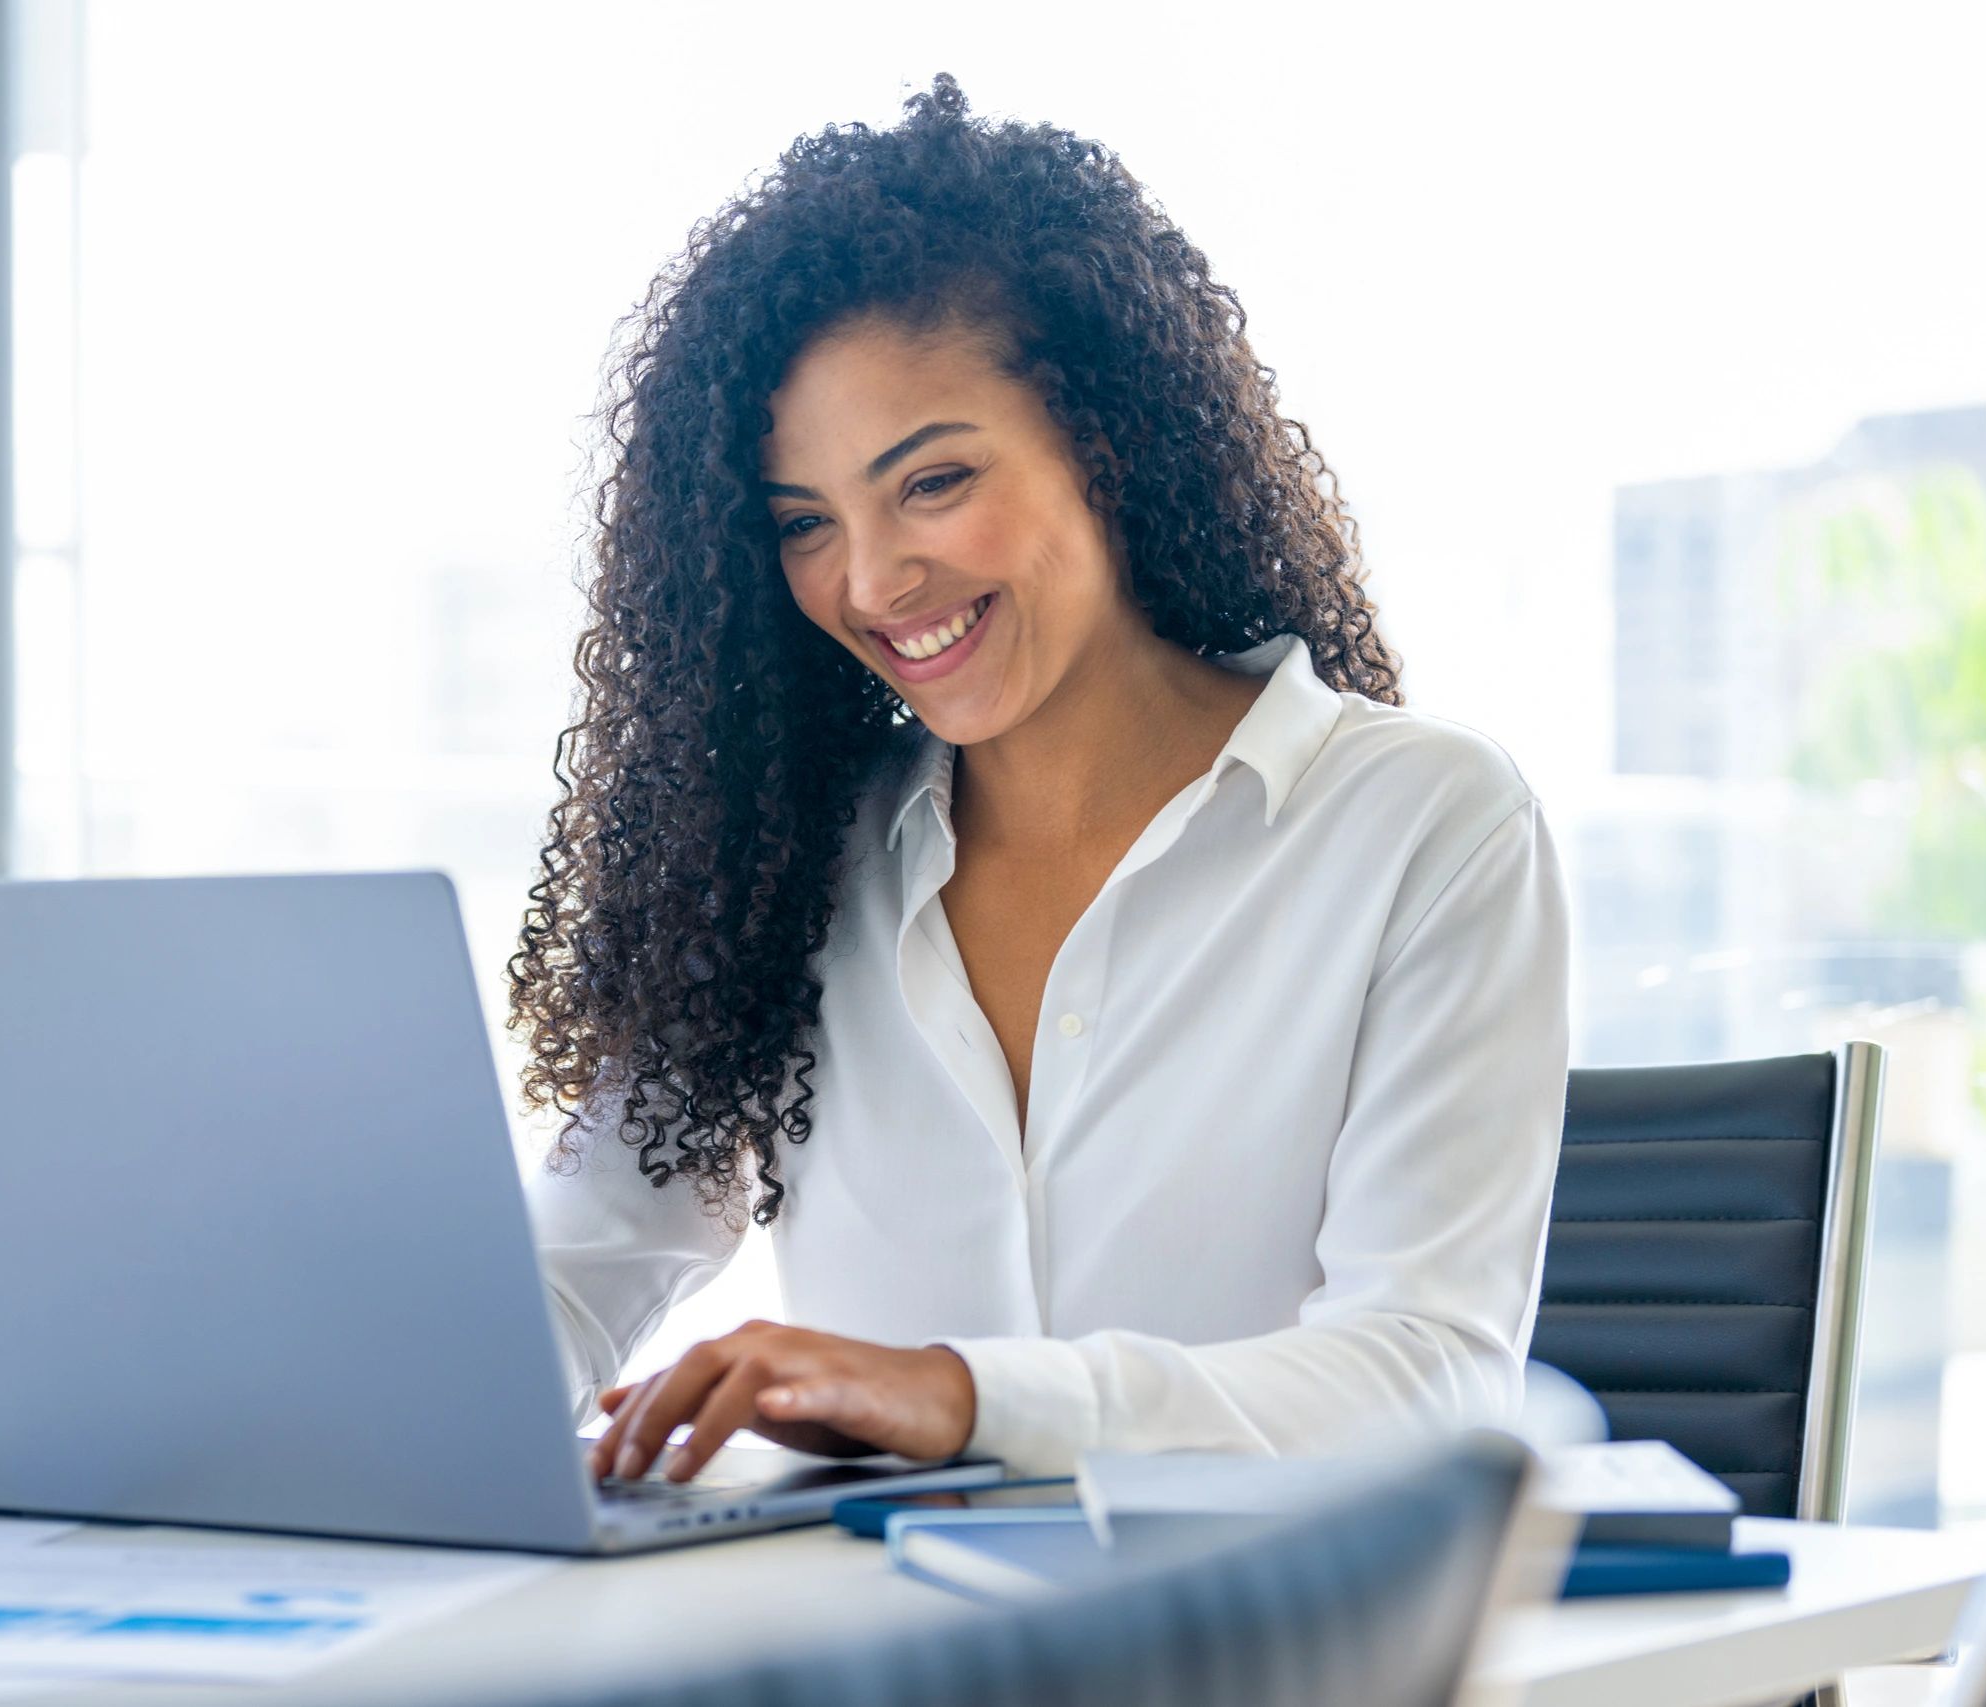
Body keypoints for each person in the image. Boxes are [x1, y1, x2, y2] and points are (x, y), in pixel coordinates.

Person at [504, 73, 1570, 1486]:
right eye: (806, 524)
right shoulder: (786, 864)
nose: (875, 582)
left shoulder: (1423, 825)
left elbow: (1431, 1372)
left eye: (932, 483)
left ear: (1109, 438)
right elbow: (572, 1274)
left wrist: (959, 1396)